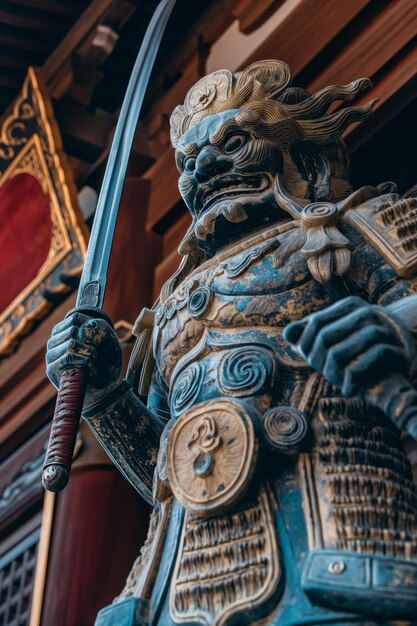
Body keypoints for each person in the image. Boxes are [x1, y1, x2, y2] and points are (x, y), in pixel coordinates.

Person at [46, 60, 417, 626]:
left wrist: (394, 328)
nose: (205, 169)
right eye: (189, 163)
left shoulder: (355, 227)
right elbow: (162, 474)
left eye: (234, 143)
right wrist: (103, 395)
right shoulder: (165, 312)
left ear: (302, 154)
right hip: (181, 576)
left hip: (342, 528)